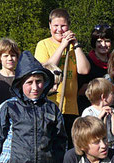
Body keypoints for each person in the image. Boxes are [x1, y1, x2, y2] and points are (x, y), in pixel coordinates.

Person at [34, 8, 90, 145]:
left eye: (63, 26)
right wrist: (62, 45)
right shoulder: (43, 44)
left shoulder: (73, 47)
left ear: (69, 27)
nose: (59, 29)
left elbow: (84, 70)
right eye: (56, 26)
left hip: (71, 107)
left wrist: (75, 45)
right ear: (49, 26)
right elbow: (46, 68)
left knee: (69, 146)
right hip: (51, 104)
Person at [77, 23, 114, 112]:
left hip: (110, 109)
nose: (103, 44)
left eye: (107, 41)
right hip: (88, 109)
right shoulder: (85, 61)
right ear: (94, 42)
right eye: (99, 41)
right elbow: (79, 90)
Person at [81, 78, 114, 147]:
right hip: (95, 146)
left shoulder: (112, 110)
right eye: (112, 93)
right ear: (103, 97)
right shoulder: (89, 112)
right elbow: (89, 132)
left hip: (110, 145)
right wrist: (100, 117)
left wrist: (113, 116)